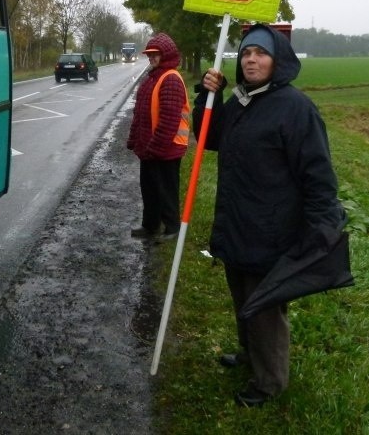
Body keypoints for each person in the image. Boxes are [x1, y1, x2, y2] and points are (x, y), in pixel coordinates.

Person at [194, 24, 347, 407]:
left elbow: (318, 175)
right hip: (237, 222)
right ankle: (249, 356)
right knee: (242, 297)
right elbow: (210, 139)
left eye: (260, 53)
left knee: (264, 307)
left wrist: (322, 226)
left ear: (277, 59)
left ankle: (269, 381)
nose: (251, 60)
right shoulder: (243, 101)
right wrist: (208, 98)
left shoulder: (295, 108)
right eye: (246, 53)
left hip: (272, 229)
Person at [127, 32, 190, 242]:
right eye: (150, 54)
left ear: (166, 54)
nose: (151, 58)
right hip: (150, 149)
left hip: (165, 149)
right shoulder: (152, 78)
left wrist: (155, 148)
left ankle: (172, 228)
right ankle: (150, 225)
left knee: (166, 191)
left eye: (156, 54)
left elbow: (169, 120)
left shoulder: (170, 78)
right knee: (149, 189)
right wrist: (135, 140)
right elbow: (141, 113)